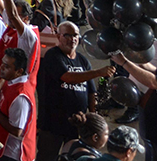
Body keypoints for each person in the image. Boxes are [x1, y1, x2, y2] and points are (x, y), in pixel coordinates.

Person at [36, 22, 113, 161]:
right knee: (47, 157)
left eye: (75, 35)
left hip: (76, 125)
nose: (72, 39)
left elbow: (91, 91)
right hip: (52, 124)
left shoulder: (82, 61)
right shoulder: (52, 56)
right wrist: (98, 72)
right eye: (67, 35)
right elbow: (68, 77)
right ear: (58, 36)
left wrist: (94, 116)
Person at [0, 48, 37, 161]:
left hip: (12, 154)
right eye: (2, 63)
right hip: (0, 146)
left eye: (7, 66)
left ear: (19, 71)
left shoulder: (21, 96)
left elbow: (17, 131)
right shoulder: (10, 81)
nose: (1, 68)